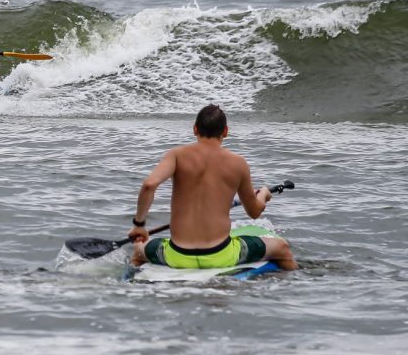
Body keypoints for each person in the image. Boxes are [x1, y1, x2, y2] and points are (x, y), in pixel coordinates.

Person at [128, 104, 298, 270]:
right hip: (221, 254)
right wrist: (264, 194)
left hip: (176, 255)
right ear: (225, 131)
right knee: (281, 247)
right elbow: (254, 212)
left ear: (195, 129)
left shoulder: (176, 155)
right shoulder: (238, 163)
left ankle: (129, 280)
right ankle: (295, 288)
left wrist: (139, 225)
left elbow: (149, 185)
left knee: (139, 249)